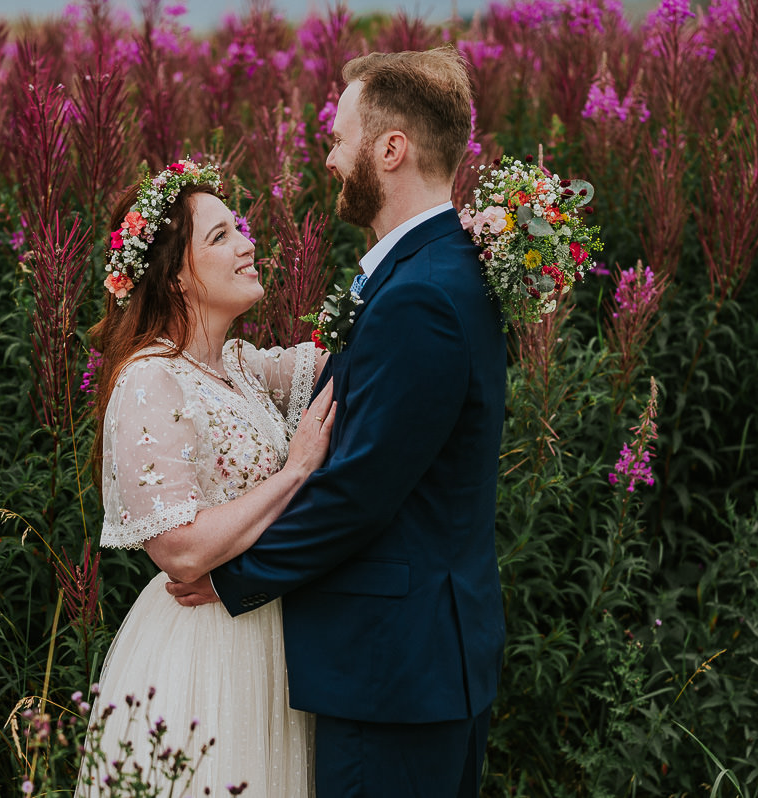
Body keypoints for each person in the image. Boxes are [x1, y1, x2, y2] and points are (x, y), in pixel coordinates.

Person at [171, 47, 508, 797]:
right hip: (417, 665)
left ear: (391, 150)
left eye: (339, 137)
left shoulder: (421, 295)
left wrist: (231, 579)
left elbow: (360, 490)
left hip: (393, 673)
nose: (329, 158)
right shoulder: (438, 268)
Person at [80, 159, 332, 797]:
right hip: (206, 655)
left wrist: (459, 245)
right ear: (177, 277)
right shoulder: (148, 378)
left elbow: (362, 356)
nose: (249, 245)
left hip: (270, 629)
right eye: (220, 237)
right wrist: (296, 471)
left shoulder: (243, 367)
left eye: (238, 227)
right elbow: (182, 550)